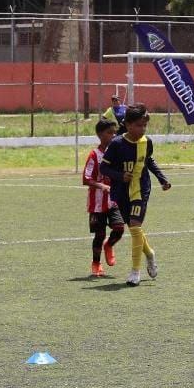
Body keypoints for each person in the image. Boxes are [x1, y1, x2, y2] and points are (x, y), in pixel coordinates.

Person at [100, 104, 172, 286]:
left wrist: (162, 178)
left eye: (144, 126)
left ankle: (135, 272)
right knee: (134, 229)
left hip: (141, 188)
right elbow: (104, 167)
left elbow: (149, 161)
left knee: (134, 225)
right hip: (122, 191)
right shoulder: (116, 144)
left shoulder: (146, 142)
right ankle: (149, 253)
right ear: (128, 125)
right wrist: (120, 176)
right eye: (139, 125)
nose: (142, 129)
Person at [83, 119, 125, 277]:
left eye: (115, 132)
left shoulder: (116, 154)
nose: (113, 135)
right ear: (100, 135)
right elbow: (86, 179)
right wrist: (102, 186)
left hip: (113, 200)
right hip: (97, 204)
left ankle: (109, 245)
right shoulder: (94, 155)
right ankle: (96, 263)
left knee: (119, 228)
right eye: (109, 133)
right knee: (99, 235)